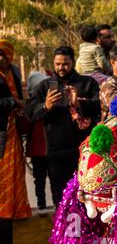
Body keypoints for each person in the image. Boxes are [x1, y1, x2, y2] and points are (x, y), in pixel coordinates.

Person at [25, 46, 101, 207]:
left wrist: (78, 103)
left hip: (84, 151)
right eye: (57, 64)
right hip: (56, 151)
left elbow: (98, 108)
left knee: (85, 196)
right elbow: (30, 113)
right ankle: (63, 231)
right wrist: (46, 106)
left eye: (65, 64)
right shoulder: (45, 87)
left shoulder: (87, 84)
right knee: (60, 197)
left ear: (73, 62)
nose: (61, 68)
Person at [0, 40, 32, 244]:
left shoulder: (14, 72)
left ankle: (16, 207)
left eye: (3, 55)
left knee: (15, 169)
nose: (0, 59)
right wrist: (12, 103)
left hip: (14, 129)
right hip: (2, 129)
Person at [26, 71, 51, 216]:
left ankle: (44, 205)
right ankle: (42, 205)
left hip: (47, 148)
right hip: (38, 149)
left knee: (46, 179)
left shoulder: (49, 103)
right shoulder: (32, 106)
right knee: (40, 179)